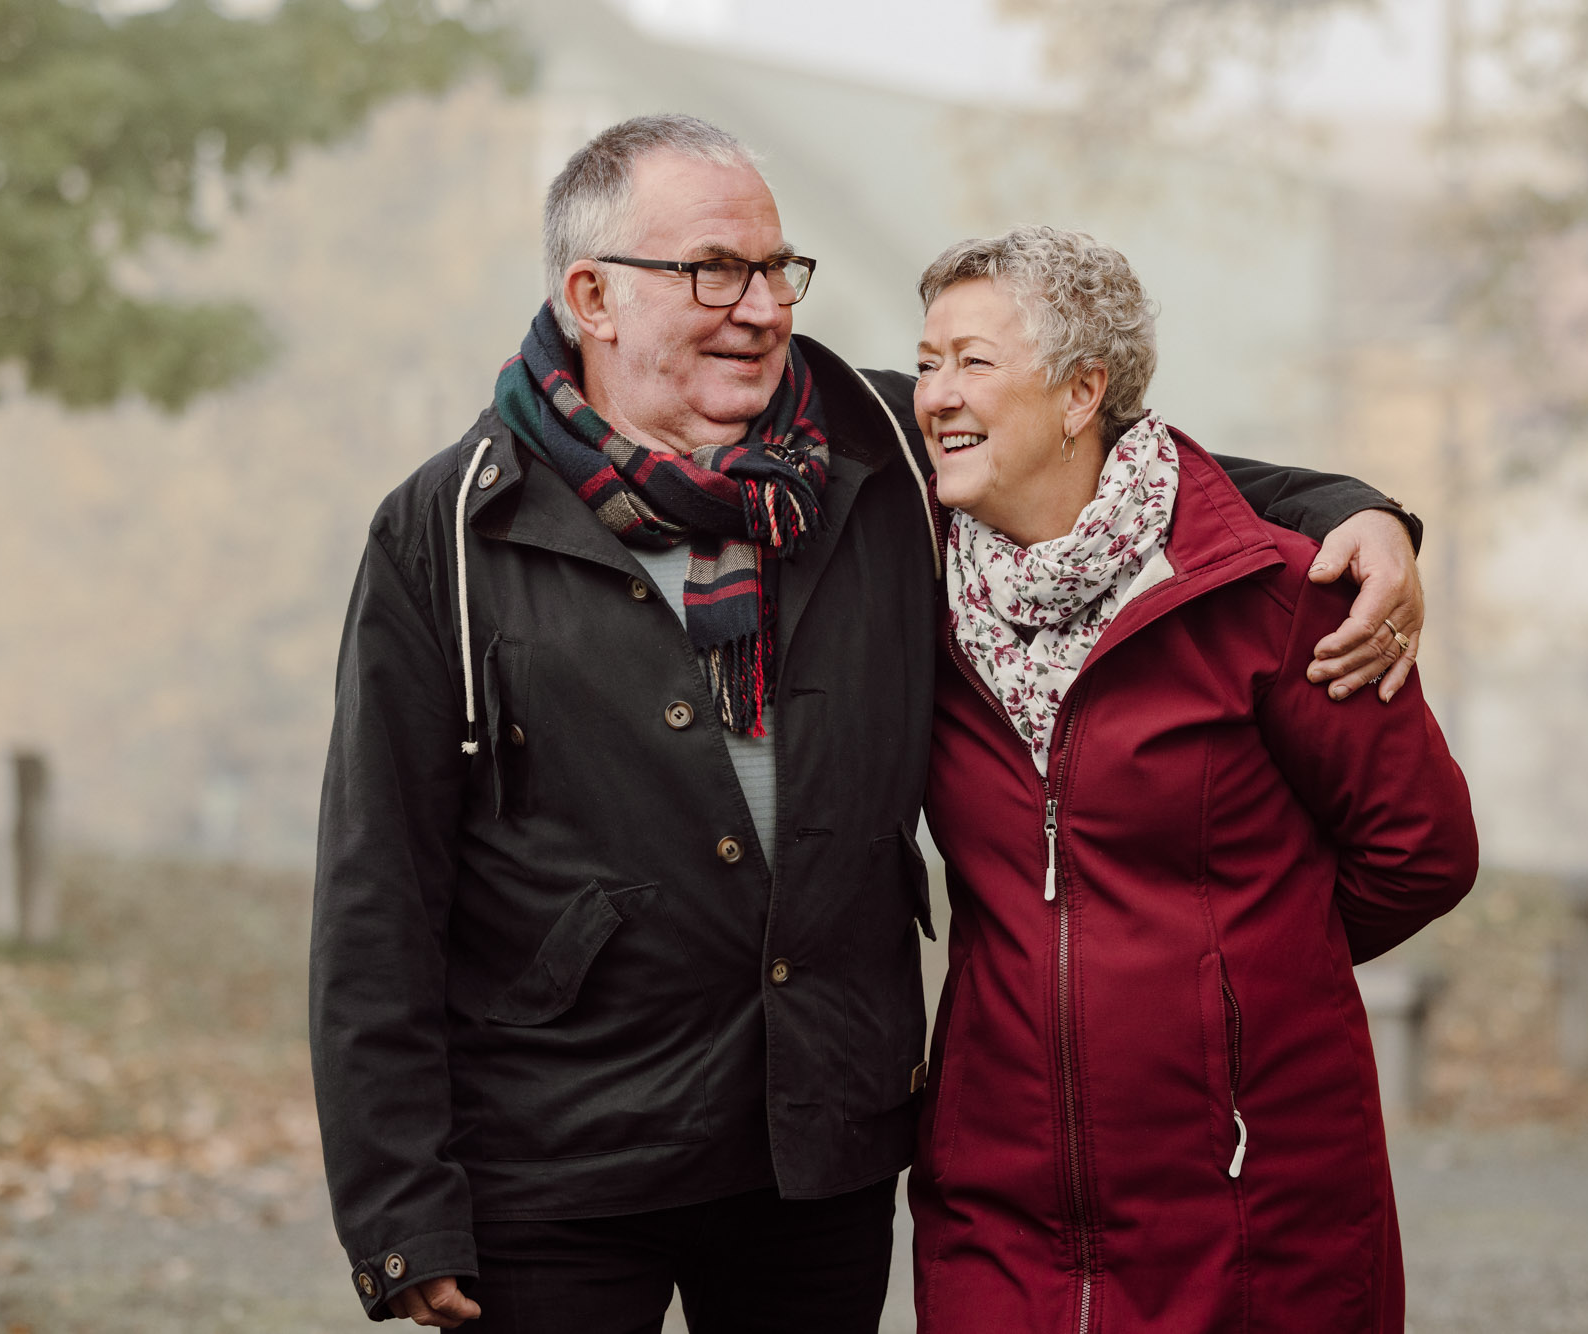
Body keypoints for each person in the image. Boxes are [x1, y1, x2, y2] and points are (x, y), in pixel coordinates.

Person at [310, 116, 1427, 1333]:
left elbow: (1109, 465)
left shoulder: (877, 445)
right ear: (592, 295)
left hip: (817, 1143)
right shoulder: (449, 530)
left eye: (776, 269)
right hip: (558, 1160)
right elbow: (379, 886)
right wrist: (398, 1202)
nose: (759, 306)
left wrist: (1355, 510)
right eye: (711, 271)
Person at [905, 226, 1478, 1333]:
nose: (933, 394)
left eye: (970, 361)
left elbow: (1421, 849)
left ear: (1082, 393)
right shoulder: (912, 594)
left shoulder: (1269, 594)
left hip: (1249, 1194)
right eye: (925, 361)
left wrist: (1232, 976)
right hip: (995, 1198)